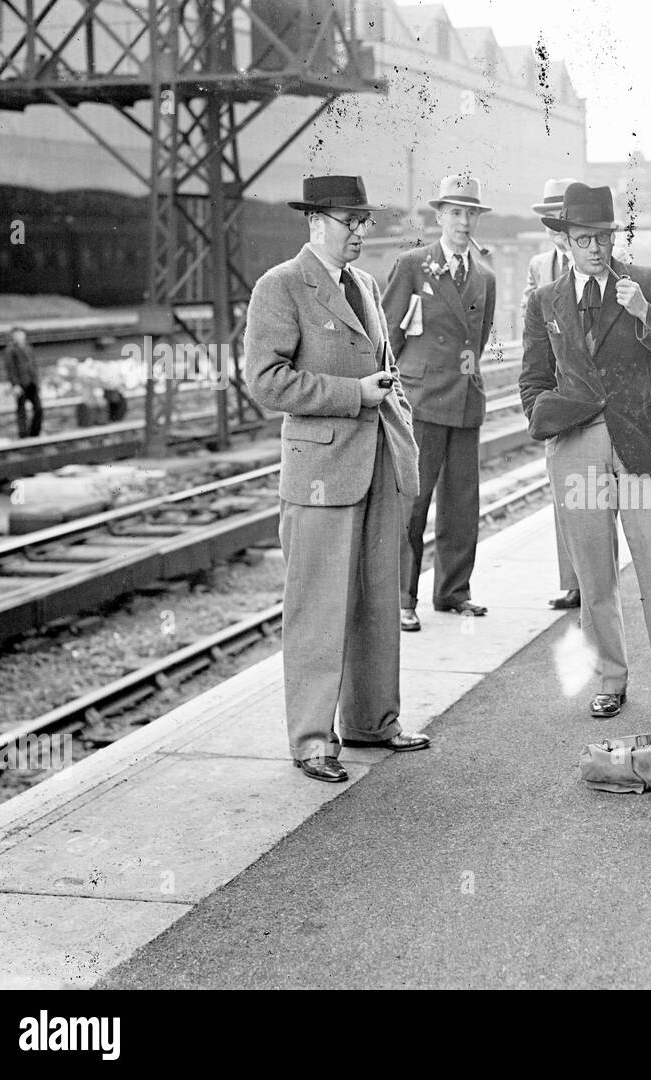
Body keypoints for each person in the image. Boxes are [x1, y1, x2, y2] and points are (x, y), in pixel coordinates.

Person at [244, 175, 429, 783]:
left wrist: (400, 431)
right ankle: (312, 741)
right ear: (315, 221)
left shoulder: (368, 286)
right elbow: (266, 382)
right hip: (322, 470)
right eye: (349, 220)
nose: (359, 232)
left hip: (376, 460)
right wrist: (353, 394)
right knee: (318, 608)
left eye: (363, 221)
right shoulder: (281, 286)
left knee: (378, 597)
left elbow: (387, 369)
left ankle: (374, 720)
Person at [520, 182, 651, 727]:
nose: (596, 249)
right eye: (584, 239)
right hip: (577, 449)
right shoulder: (545, 301)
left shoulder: (649, 283)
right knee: (594, 577)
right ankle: (609, 681)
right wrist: (554, 416)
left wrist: (645, 313)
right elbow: (532, 381)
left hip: (641, 449)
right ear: (566, 241)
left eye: (603, 238)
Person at [382, 174, 496, 632]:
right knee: (414, 499)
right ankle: (402, 597)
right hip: (422, 400)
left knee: (462, 502)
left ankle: (453, 591)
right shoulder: (413, 264)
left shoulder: (484, 276)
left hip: (466, 398)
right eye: (455, 213)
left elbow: (481, 338)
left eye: (470, 213)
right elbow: (388, 330)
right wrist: (388, 388)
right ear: (440, 217)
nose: (464, 221)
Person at [523, 177, 581, 612]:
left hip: (591, 392)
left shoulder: (597, 259)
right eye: (551, 220)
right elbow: (533, 329)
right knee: (563, 490)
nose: (556, 228)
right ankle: (573, 583)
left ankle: (596, 580)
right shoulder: (539, 266)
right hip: (557, 394)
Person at [4, 327, 43, 438]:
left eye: (21, 334)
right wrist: (15, 385)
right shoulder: (10, 350)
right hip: (20, 384)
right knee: (21, 410)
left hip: (31, 383)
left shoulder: (28, 347)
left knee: (38, 408)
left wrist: (37, 381)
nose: (19, 337)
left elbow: (34, 365)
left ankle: (35, 432)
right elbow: (10, 369)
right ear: (13, 336)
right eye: (17, 335)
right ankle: (23, 434)